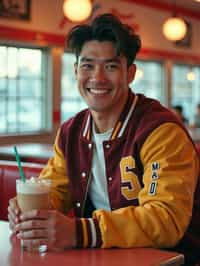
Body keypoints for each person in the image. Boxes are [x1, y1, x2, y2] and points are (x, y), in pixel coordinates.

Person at [8, 13, 200, 265]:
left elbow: (166, 219)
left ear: (130, 73)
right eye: (87, 65)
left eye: (110, 66)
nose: (97, 78)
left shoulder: (160, 131)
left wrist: (80, 232)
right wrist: (31, 210)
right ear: (76, 71)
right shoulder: (71, 131)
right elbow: (54, 186)